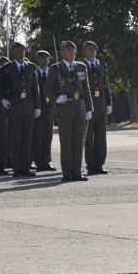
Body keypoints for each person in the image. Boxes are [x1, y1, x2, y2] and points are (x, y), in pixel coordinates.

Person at [47, 41, 93, 182]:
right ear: (62, 53)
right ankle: (67, 173)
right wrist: (56, 98)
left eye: (73, 49)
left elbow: (86, 89)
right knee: (66, 143)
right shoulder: (56, 69)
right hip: (65, 109)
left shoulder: (81, 67)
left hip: (79, 109)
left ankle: (77, 172)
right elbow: (47, 89)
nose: (71, 51)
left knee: (78, 142)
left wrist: (89, 108)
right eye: (68, 49)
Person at [0, 41, 42, 177]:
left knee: (27, 139)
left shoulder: (31, 67)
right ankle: (17, 169)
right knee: (16, 138)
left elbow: (36, 88)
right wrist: (4, 99)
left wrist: (38, 106)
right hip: (15, 106)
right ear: (13, 52)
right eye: (18, 49)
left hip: (29, 106)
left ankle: (26, 167)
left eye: (23, 49)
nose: (21, 52)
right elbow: (0, 86)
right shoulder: (7, 68)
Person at [81, 42, 113, 175]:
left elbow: (106, 86)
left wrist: (109, 103)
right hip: (88, 107)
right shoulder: (80, 66)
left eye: (94, 48)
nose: (92, 50)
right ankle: (91, 165)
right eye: (89, 48)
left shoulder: (101, 65)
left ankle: (99, 164)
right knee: (88, 138)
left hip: (101, 105)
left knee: (101, 136)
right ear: (84, 51)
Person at [32, 50, 56, 171]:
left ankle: (46, 161)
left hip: (50, 109)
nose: (44, 60)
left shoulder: (52, 73)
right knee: (37, 137)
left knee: (48, 137)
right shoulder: (34, 73)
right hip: (39, 109)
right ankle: (39, 162)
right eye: (42, 57)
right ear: (38, 59)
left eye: (46, 57)